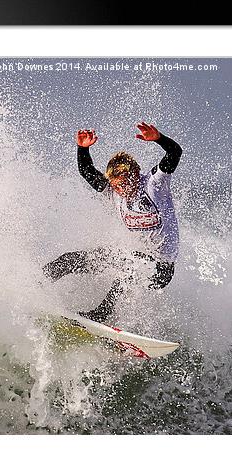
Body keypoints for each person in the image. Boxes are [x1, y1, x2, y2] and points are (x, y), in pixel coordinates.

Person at [42, 122, 182, 323]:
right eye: (118, 185)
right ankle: (33, 285)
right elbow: (87, 170)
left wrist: (159, 138)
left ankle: (101, 316)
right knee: (70, 259)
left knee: (129, 269)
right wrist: (83, 148)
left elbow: (175, 152)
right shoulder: (113, 192)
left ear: (136, 173)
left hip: (162, 268)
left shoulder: (154, 184)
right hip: (137, 258)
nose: (124, 189)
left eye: (127, 182)